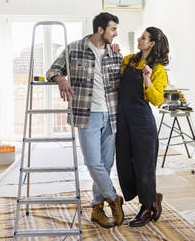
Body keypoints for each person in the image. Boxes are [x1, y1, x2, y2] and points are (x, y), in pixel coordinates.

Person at [46, 12, 125, 228]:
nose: (116, 34)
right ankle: (113, 198)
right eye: (113, 29)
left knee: (106, 165)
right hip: (87, 115)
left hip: (111, 115)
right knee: (93, 163)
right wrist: (61, 78)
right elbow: (52, 69)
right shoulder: (74, 49)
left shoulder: (115, 53)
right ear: (100, 30)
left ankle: (98, 209)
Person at [116, 26, 169, 227]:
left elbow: (157, 100)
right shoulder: (129, 59)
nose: (139, 39)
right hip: (123, 120)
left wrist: (147, 79)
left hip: (142, 123)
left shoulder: (158, 69)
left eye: (144, 37)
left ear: (152, 43)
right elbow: (118, 81)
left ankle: (147, 208)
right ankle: (152, 197)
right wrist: (113, 53)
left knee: (143, 166)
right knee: (125, 164)